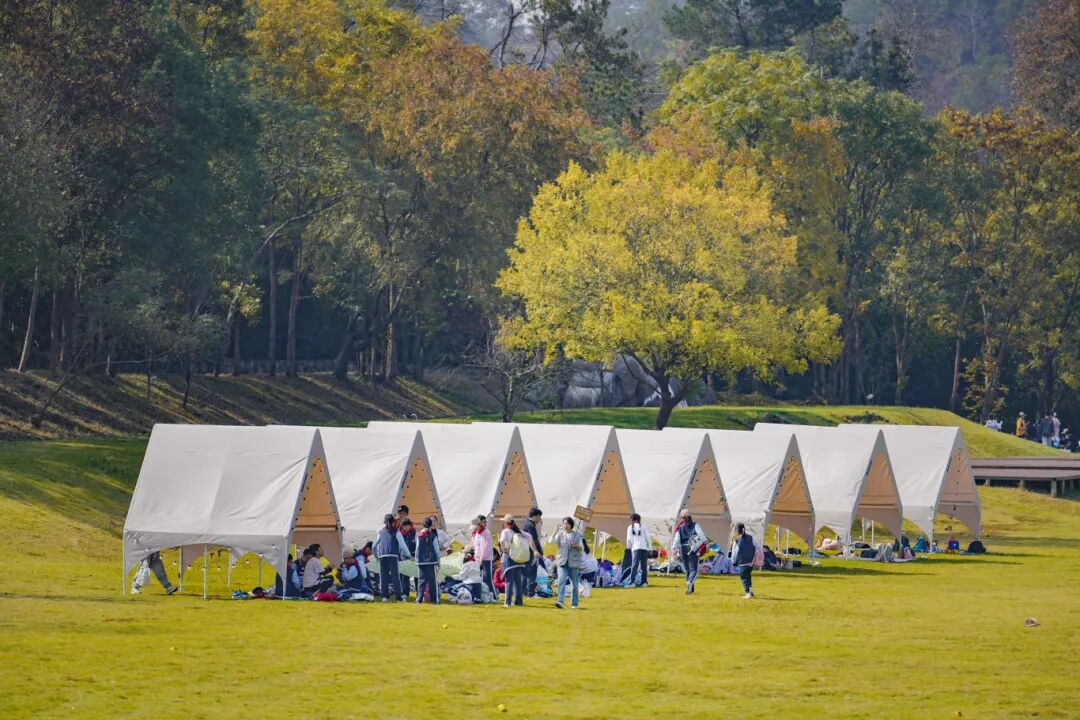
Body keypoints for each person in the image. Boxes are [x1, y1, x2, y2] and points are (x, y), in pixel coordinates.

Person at [499, 514, 539, 608]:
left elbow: (501, 541)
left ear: (506, 523)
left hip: (509, 558)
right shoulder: (519, 531)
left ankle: (507, 602)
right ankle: (519, 602)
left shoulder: (505, 531)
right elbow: (530, 537)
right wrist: (534, 550)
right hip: (519, 559)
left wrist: (503, 549)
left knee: (509, 581)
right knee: (518, 581)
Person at [374, 513, 412, 601]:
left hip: (382, 556)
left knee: (383, 577)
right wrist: (409, 555)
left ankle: (384, 597)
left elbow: (375, 545)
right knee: (395, 577)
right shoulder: (396, 531)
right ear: (393, 522)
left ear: (384, 522)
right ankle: (398, 597)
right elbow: (402, 545)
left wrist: (376, 555)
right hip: (393, 556)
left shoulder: (380, 532)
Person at [552, 516, 585, 609]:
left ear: (571, 525)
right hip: (562, 562)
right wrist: (555, 530)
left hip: (573, 563)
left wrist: (576, 546)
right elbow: (551, 541)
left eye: (567, 524)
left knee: (574, 584)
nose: (565, 525)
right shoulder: (560, 535)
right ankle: (560, 601)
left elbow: (582, 549)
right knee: (561, 581)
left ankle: (574, 603)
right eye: (564, 524)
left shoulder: (577, 535)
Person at [671, 510, 706, 595]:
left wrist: (674, 548)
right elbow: (701, 535)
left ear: (682, 518)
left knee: (687, 570)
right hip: (693, 547)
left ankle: (690, 590)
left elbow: (677, 539)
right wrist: (706, 543)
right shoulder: (695, 525)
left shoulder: (680, 527)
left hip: (683, 548)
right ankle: (689, 582)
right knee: (694, 570)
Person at [415, 516, 442, 604]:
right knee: (432, 581)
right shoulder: (433, 535)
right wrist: (439, 561)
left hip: (421, 561)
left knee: (421, 581)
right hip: (431, 561)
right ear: (431, 525)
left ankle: (419, 600)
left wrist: (417, 560)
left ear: (423, 525)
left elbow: (417, 549)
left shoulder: (419, 535)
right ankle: (435, 600)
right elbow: (437, 550)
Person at [471, 515, 497, 601]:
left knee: (488, 578)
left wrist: (481, 559)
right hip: (478, 559)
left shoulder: (486, 533)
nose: (485, 523)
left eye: (485, 522)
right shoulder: (475, 533)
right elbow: (475, 546)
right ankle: (482, 597)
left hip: (486, 559)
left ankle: (494, 597)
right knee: (479, 578)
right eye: (483, 522)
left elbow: (486, 547)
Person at [522, 507, 544, 597]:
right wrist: (536, 551)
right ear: (534, 516)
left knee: (527, 572)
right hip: (530, 553)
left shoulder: (528, 524)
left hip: (528, 553)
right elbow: (531, 540)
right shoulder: (530, 526)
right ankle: (530, 592)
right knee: (531, 573)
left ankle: (524, 591)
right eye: (539, 516)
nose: (539, 519)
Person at [626, 513, 651, 587]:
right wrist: (650, 548)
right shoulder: (644, 526)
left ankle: (632, 582)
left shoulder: (630, 527)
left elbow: (629, 539)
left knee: (634, 566)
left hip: (636, 548)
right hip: (644, 548)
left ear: (632, 520)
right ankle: (644, 582)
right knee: (644, 566)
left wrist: (628, 548)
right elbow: (648, 537)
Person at [397, 508, 416, 600]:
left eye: (408, 525)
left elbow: (417, 544)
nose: (406, 527)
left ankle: (419, 592)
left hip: (414, 556)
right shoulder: (399, 533)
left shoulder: (414, 532)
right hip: (403, 556)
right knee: (404, 574)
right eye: (404, 526)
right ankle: (405, 593)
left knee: (416, 574)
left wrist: (414, 555)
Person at [732, 523, 756, 598]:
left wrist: (733, 561)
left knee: (744, 578)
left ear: (737, 531)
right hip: (751, 562)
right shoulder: (751, 537)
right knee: (748, 576)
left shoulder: (737, 540)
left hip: (742, 562)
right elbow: (755, 547)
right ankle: (751, 592)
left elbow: (735, 552)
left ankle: (748, 593)